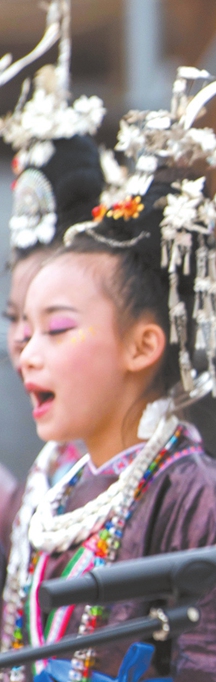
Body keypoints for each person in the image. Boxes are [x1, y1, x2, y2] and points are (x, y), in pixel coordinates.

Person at [5, 53, 216, 682]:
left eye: (59, 330)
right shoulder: (52, 496)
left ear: (142, 346)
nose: (26, 354)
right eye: (22, 328)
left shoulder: (207, 498)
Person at [0, 1, 101, 595]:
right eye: (14, 318)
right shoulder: (42, 478)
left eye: (53, 325)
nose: (22, 341)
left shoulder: (186, 489)